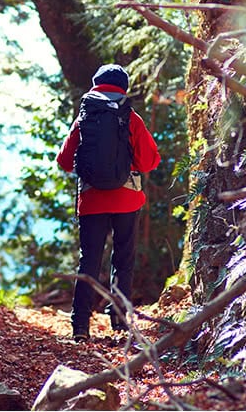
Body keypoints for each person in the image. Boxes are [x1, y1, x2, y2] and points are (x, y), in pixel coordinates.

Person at [56, 64, 160, 340]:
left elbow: (64, 162)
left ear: (95, 85)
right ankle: (120, 322)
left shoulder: (85, 118)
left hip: (91, 200)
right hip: (127, 199)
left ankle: (80, 327)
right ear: (123, 88)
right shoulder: (131, 118)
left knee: (88, 261)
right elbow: (150, 160)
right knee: (123, 260)